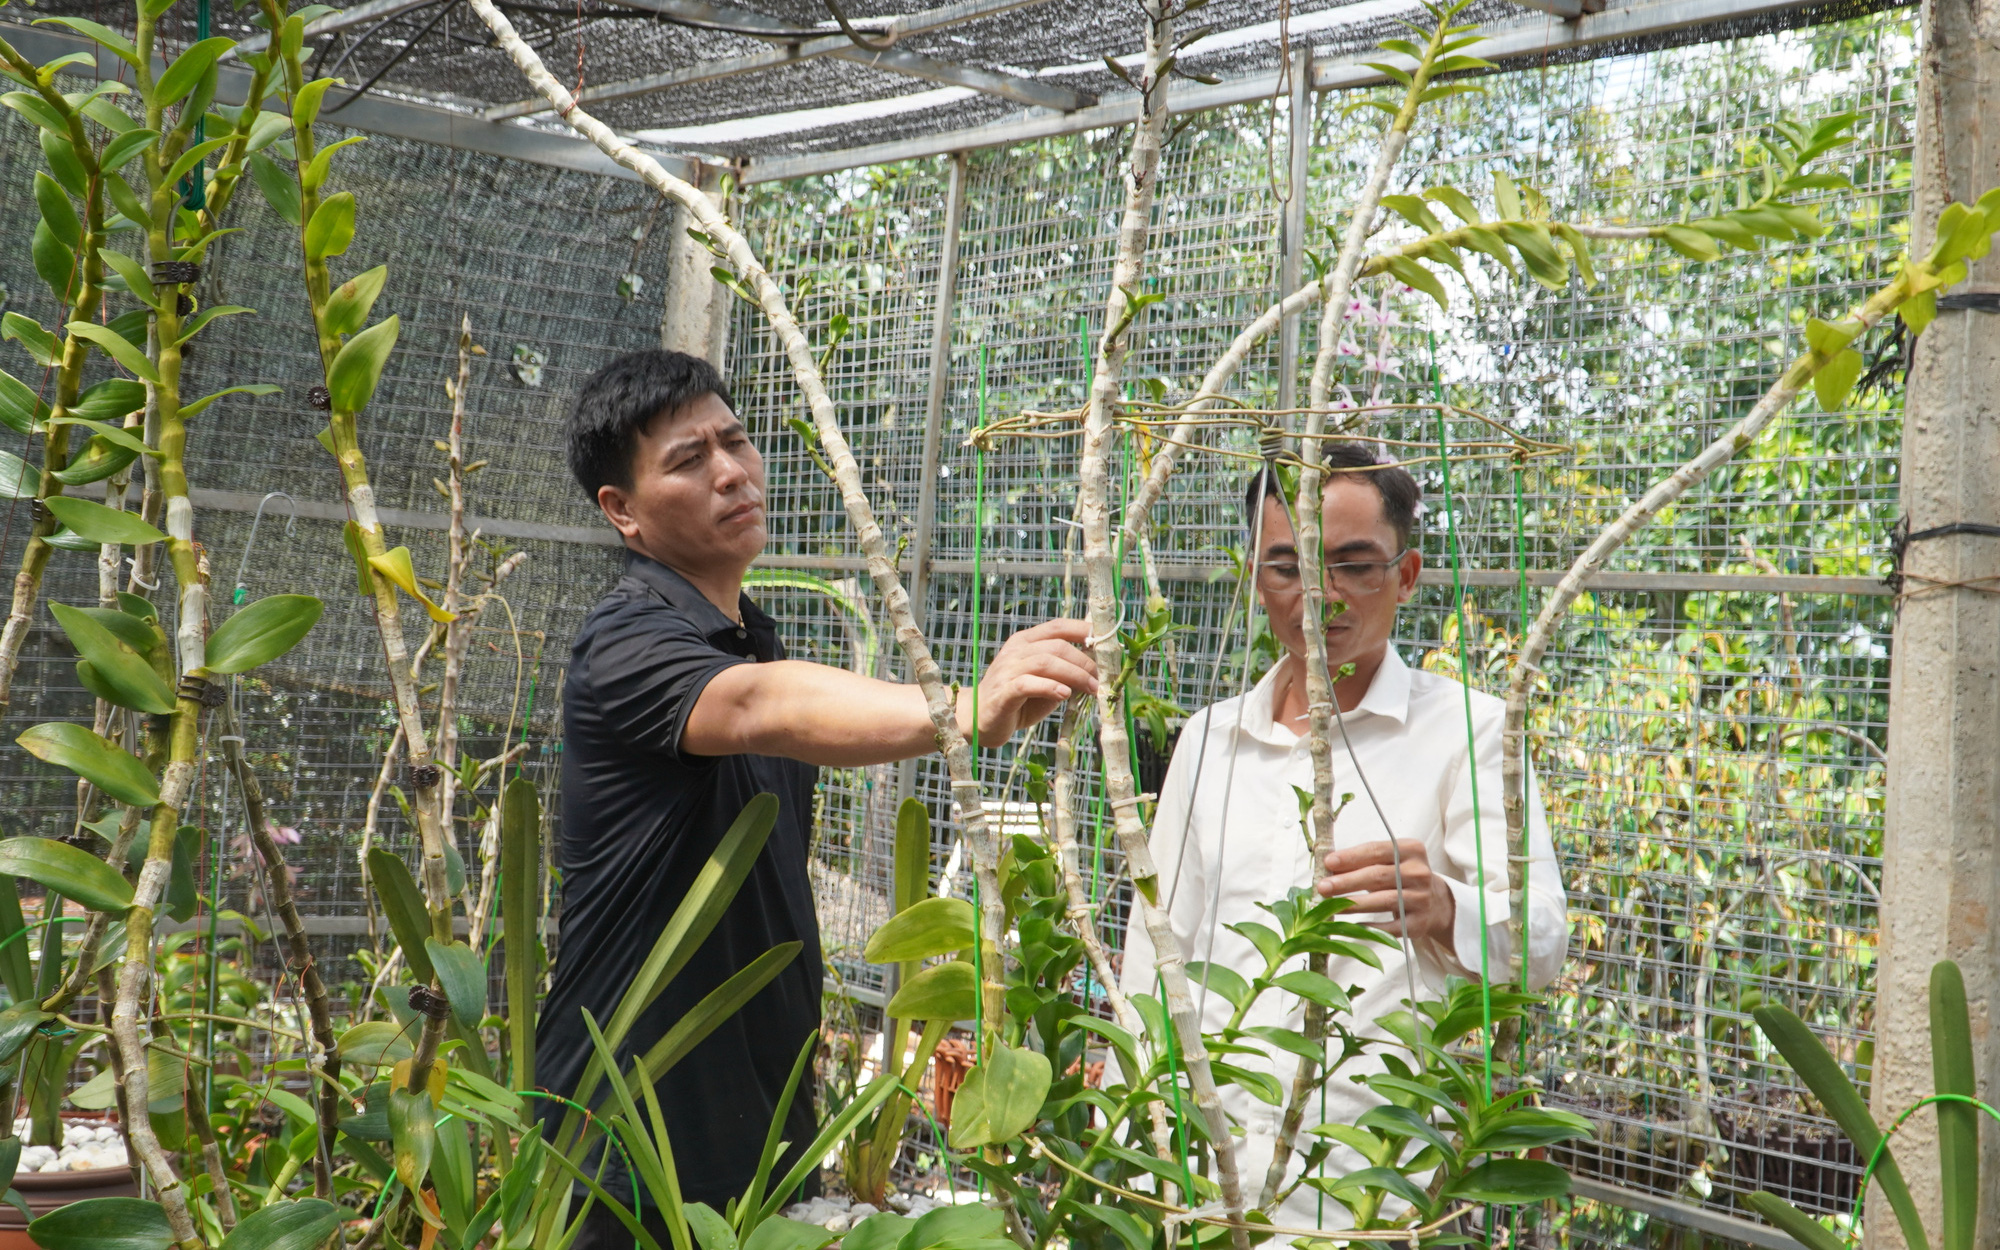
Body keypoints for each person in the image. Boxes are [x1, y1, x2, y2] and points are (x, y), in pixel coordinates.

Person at [542, 351, 1098, 1249]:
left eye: (736, 441)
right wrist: (968, 709)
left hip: (759, 1122)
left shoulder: (751, 639)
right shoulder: (625, 641)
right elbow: (769, 707)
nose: (731, 470)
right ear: (624, 513)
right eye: (688, 461)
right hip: (629, 1129)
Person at [1119, 443, 1569, 1234]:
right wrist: (1134, 1138)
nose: (1319, 597)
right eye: (1286, 568)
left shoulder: (1471, 732)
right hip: (1198, 1177)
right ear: (1256, 577)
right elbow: (1157, 954)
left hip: (1367, 1188)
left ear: (1408, 574)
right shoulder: (1209, 739)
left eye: (1355, 565)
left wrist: (1444, 907)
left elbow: (1542, 947)